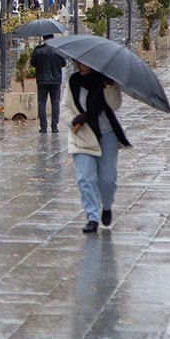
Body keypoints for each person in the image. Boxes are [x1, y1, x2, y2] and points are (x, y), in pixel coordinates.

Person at [63, 60, 130, 234]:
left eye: (83, 63)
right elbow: (65, 108)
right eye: (77, 62)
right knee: (85, 178)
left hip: (107, 135)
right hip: (83, 135)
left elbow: (114, 105)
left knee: (108, 179)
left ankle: (106, 206)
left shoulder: (107, 81)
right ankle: (92, 217)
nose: (79, 66)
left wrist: (108, 86)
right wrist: (74, 120)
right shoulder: (74, 82)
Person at [30, 35, 66, 134]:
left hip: (42, 80)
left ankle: (43, 127)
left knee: (42, 103)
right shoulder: (58, 50)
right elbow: (64, 64)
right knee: (55, 103)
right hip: (56, 81)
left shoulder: (38, 50)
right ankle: (54, 127)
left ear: (43, 38)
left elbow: (33, 63)